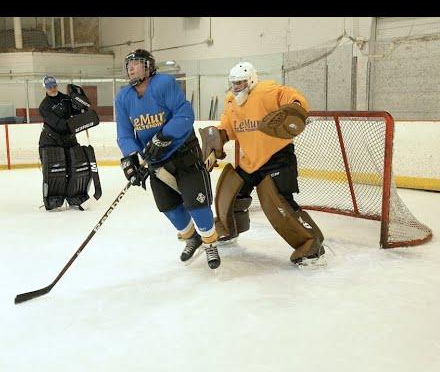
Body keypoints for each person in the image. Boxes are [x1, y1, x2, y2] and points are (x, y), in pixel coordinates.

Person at [199, 61, 325, 266]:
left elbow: (291, 97)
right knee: (231, 190)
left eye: (240, 83)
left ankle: (311, 243)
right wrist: (216, 142)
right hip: (252, 161)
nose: (236, 87)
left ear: (251, 81)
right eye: (233, 83)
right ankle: (228, 228)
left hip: (278, 157)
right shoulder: (231, 101)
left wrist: (296, 106)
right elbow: (227, 128)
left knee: (278, 203)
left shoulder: (266, 91)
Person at [115, 49, 220, 269]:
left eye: (135, 63)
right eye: (128, 65)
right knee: (169, 207)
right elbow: (125, 135)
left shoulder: (163, 84)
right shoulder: (123, 97)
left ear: (148, 66)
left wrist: (163, 136)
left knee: (196, 204)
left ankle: (210, 243)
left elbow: (185, 115)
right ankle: (193, 237)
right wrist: (132, 159)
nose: (130, 68)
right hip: (156, 163)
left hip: (184, 155)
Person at [38, 75, 102, 211]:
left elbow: (78, 111)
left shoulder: (66, 99)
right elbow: (58, 124)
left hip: (68, 138)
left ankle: (75, 196)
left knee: (76, 166)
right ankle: (54, 199)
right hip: (51, 141)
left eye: (54, 85)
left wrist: (82, 108)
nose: (52, 88)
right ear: (45, 88)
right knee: (55, 171)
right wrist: (75, 124)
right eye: (49, 86)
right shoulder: (44, 106)